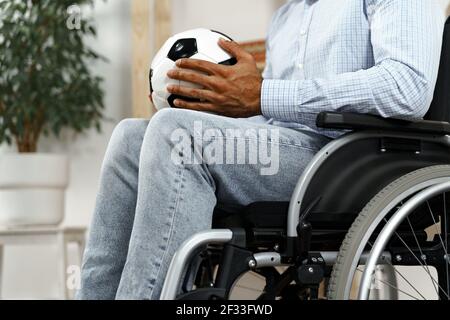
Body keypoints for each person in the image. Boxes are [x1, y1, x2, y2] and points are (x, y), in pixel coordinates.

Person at [77, 0, 445, 299]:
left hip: (356, 161)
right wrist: (200, 108)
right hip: (291, 154)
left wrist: (262, 94)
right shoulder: (287, 17)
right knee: (132, 136)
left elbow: (406, 88)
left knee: (177, 135)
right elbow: (271, 122)